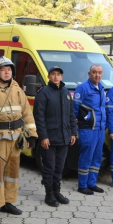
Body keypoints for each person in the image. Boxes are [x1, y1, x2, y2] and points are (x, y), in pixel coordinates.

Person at [0, 56, 37, 221]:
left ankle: (7, 202)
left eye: (9, 69)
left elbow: (27, 114)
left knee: (12, 173)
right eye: (3, 69)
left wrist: (32, 135)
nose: (6, 72)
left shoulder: (18, 90)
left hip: (16, 140)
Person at [33, 66, 78, 207]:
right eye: (53, 74)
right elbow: (39, 117)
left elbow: (71, 115)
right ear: (48, 76)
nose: (56, 77)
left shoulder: (65, 93)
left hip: (64, 138)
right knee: (49, 167)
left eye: (59, 74)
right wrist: (43, 137)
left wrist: (73, 132)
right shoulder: (43, 93)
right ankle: (49, 194)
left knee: (59, 167)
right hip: (50, 139)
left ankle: (57, 192)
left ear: (62, 77)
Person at [73, 64, 106, 195]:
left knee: (97, 158)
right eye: (94, 72)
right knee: (86, 157)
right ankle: (82, 185)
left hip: (100, 129)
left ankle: (92, 183)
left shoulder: (102, 87)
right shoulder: (83, 88)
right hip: (88, 129)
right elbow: (75, 108)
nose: (97, 75)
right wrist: (81, 122)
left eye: (99, 72)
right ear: (89, 74)